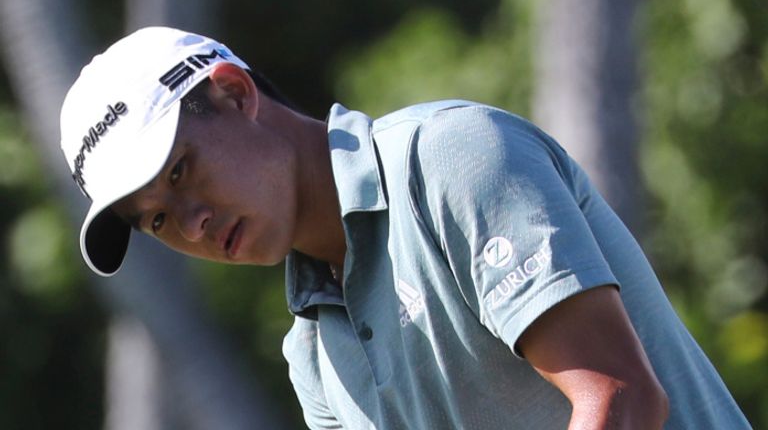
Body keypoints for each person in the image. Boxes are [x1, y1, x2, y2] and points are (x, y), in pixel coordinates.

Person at [59, 27, 750, 429]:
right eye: (156, 219)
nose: (191, 222)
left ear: (235, 94)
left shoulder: (451, 159)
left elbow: (622, 400)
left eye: (180, 173)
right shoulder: (314, 356)